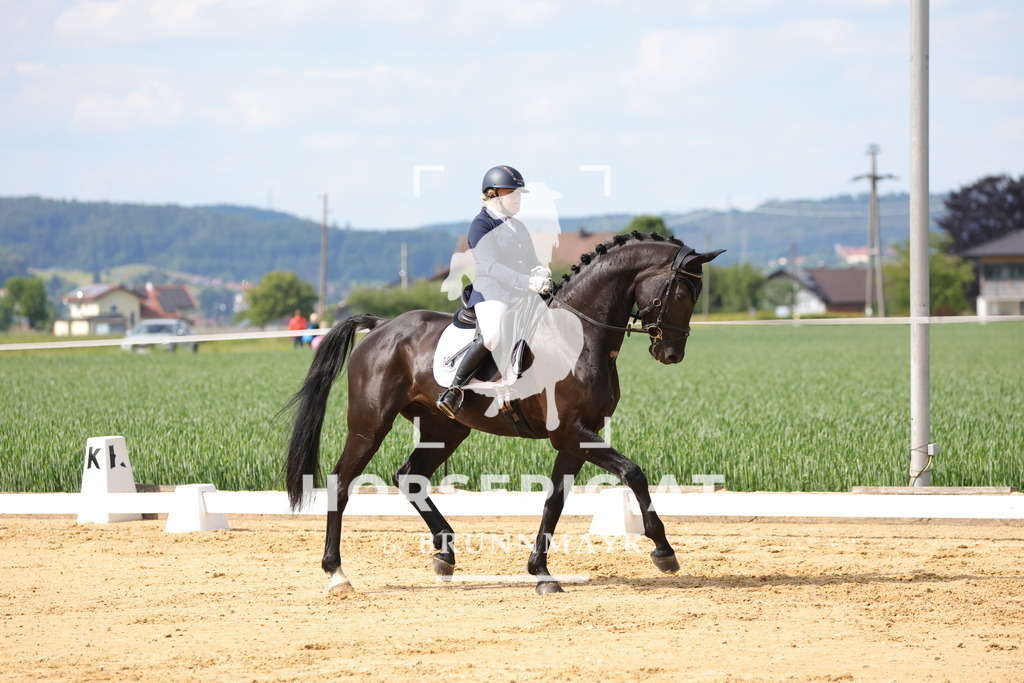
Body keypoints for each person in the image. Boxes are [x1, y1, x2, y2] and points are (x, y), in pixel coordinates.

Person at [436, 165, 553, 419]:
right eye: (513, 193)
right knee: (492, 335)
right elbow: (490, 266)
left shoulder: (518, 226)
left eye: (520, 194)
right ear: (493, 194)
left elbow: (532, 259)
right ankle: (454, 389)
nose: (518, 198)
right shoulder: (480, 225)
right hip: (492, 292)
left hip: (521, 291)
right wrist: (527, 281)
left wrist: (541, 272)